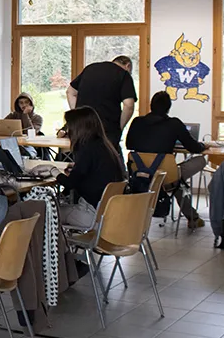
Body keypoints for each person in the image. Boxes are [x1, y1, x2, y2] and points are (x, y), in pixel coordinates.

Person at [126, 92, 209, 228]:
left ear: (151, 106)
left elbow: (129, 144)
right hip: (166, 175)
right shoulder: (174, 123)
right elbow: (193, 147)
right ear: (168, 108)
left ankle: (192, 216)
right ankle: (192, 218)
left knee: (174, 181)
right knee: (197, 163)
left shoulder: (137, 121)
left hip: (139, 172)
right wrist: (203, 145)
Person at [50, 106, 127, 229]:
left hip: (91, 215)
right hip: (109, 214)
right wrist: (77, 168)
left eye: (69, 125)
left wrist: (52, 170)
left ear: (78, 128)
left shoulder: (86, 149)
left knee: (46, 212)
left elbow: (70, 184)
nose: (67, 130)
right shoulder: (104, 146)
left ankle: (53, 248)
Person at [66, 55, 137, 153]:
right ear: (127, 66)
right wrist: (120, 127)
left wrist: (79, 114)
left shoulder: (90, 69)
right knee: (108, 163)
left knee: (83, 162)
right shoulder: (123, 74)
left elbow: (70, 92)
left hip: (82, 128)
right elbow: (129, 105)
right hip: (107, 130)